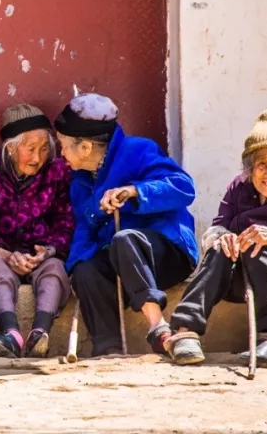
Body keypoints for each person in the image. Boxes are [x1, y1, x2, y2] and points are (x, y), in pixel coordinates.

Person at [167, 110, 267, 367]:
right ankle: (185, 331)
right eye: (262, 164)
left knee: (259, 249)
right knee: (220, 248)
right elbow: (218, 227)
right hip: (236, 280)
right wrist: (222, 237)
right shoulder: (239, 187)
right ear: (249, 167)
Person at [55, 93, 197, 357]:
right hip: (121, 261)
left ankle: (158, 327)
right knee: (85, 270)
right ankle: (109, 349)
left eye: (62, 145)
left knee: (124, 239)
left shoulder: (138, 151)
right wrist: (73, 267)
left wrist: (134, 192)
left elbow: (183, 188)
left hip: (165, 254)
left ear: (84, 147)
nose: (60, 153)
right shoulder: (80, 181)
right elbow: (84, 229)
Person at [0, 104, 74, 358]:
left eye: (44, 149)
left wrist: (49, 250)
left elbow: (66, 220)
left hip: (40, 253)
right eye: (30, 149)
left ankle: (40, 333)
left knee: (55, 269)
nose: (38, 158)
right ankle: (10, 334)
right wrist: (3, 254)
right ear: (10, 147)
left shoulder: (58, 172)